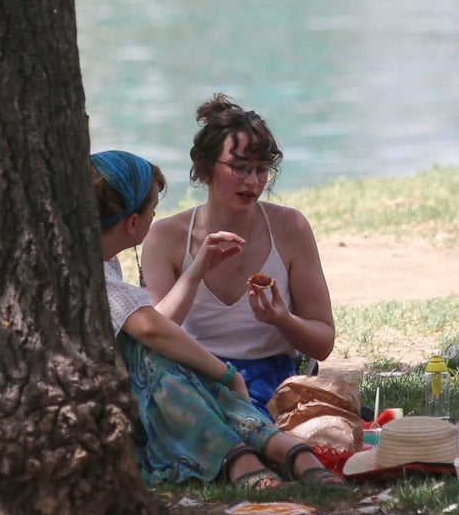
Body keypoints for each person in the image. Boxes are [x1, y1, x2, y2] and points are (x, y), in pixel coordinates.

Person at [92, 150, 344, 489]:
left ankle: (261, 454)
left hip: (213, 375)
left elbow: (154, 327)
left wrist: (199, 271)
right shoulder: (89, 267)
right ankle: (261, 455)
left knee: (169, 361)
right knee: (157, 359)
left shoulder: (105, 261)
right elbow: (151, 329)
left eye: (261, 169)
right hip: (125, 388)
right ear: (133, 222)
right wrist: (227, 375)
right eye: (152, 210)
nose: (252, 180)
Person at [141, 93, 335, 415]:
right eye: (239, 167)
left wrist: (282, 319)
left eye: (262, 170)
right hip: (195, 375)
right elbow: (156, 334)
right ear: (205, 169)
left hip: (272, 377)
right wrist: (197, 270)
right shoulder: (166, 236)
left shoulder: (290, 228)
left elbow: (322, 342)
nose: (252, 181)